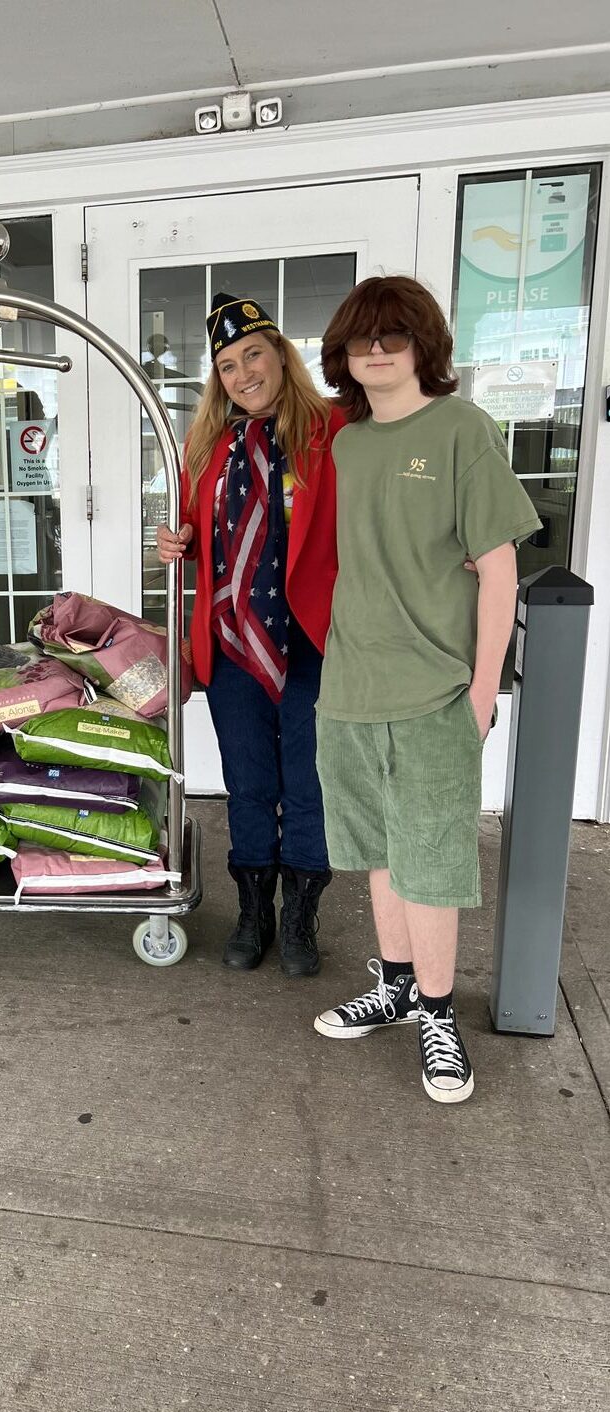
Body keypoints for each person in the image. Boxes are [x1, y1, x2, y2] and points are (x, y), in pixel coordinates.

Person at [313, 275, 541, 1104]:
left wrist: (483, 692)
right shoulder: (344, 443)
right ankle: (400, 985)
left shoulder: (459, 430)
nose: (375, 350)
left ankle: (438, 1013)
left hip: (435, 690)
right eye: (360, 338)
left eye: (393, 336)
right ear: (341, 353)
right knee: (377, 853)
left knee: (432, 863)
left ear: (423, 346)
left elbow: (497, 569)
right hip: (349, 688)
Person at [157, 296, 347, 976]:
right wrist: (172, 542)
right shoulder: (205, 445)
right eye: (227, 366)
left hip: (313, 642)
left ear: (279, 355)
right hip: (234, 643)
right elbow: (190, 530)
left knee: (307, 783)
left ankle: (300, 917)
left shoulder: (333, 430)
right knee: (245, 782)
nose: (242, 374)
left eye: (253, 355)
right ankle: (252, 911)